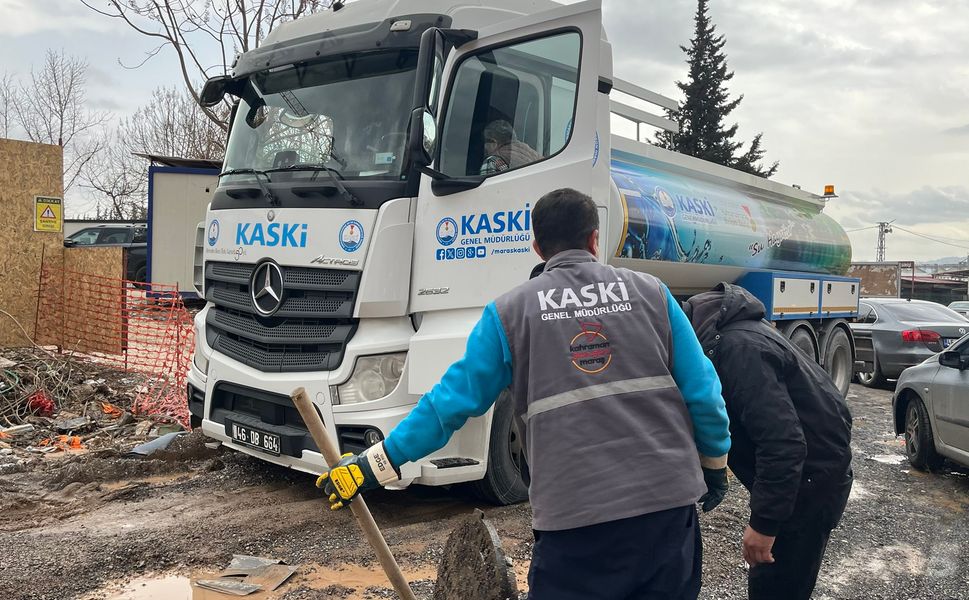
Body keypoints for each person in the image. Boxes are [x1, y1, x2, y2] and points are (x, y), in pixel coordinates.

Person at [317, 188, 731, 600]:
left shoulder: (509, 313)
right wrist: (714, 465)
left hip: (574, 521)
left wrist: (371, 466)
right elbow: (704, 393)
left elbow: (447, 405)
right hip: (666, 510)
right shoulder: (652, 293)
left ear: (537, 247)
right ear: (594, 239)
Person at [683, 283, 853, 600]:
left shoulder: (738, 350)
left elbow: (784, 442)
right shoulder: (730, 335)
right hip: (808, 474)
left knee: (776, 588)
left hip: (809, 483)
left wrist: (764, 524)